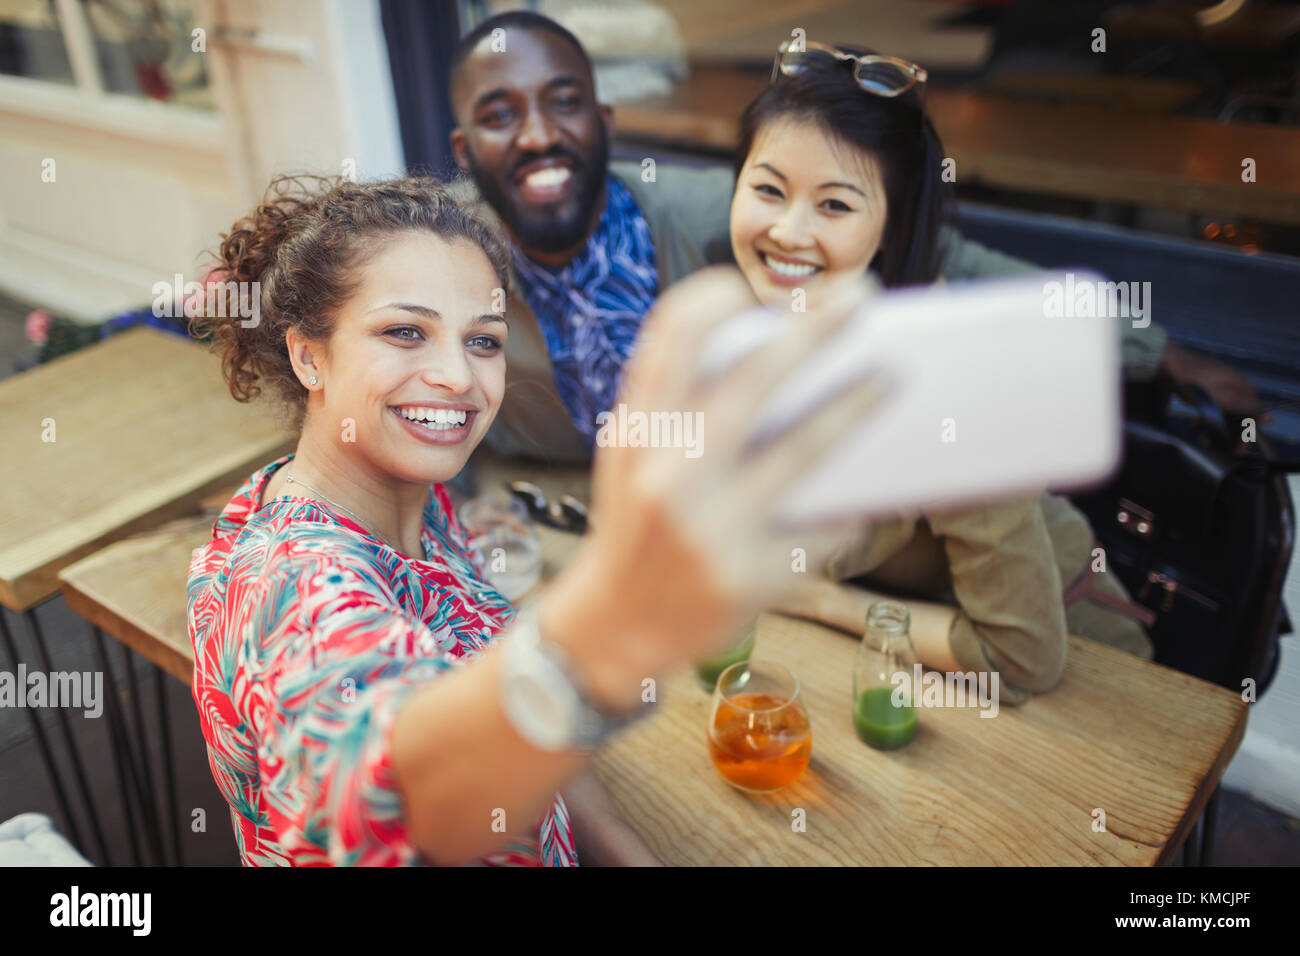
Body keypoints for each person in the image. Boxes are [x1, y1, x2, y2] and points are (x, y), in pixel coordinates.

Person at [186, 173, 885, 865]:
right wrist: (612, 618)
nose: (458, 378)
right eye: (405, 332)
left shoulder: (406, 500)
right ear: (310, 355)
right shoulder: (296, 582)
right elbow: (392, 796)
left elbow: (518, 725)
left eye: (483, 340)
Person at [446, 9, 1261, 463]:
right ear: (463, 152)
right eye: (498, 114)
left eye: (562, 101)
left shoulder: (724, 220)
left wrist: (1160, 354)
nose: (537, 135)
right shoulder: (444, 261)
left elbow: (964, 268)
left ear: (605, 121)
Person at [726, 40, 1156, 701]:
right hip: (892, 667)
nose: (788, 231)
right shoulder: (767, 329)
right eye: (767, 189)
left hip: (1083, 689)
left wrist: (815, 599)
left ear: (890, 229)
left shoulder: (951, 389)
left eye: (835, 205)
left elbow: (1020, 660)